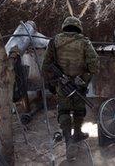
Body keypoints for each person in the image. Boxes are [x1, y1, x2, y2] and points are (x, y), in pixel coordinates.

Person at [42, 16, 99, 157]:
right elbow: (95, 65)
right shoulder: (84, 42)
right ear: (78, 27)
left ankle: (69, 141)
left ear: (64, 26)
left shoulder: (54, 41)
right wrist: (82, 79)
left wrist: (53, 81)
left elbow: (45, 66)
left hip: (62, 86)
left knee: (64, 112)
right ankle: (77, 133)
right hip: (78, 86)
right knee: (79, 110)